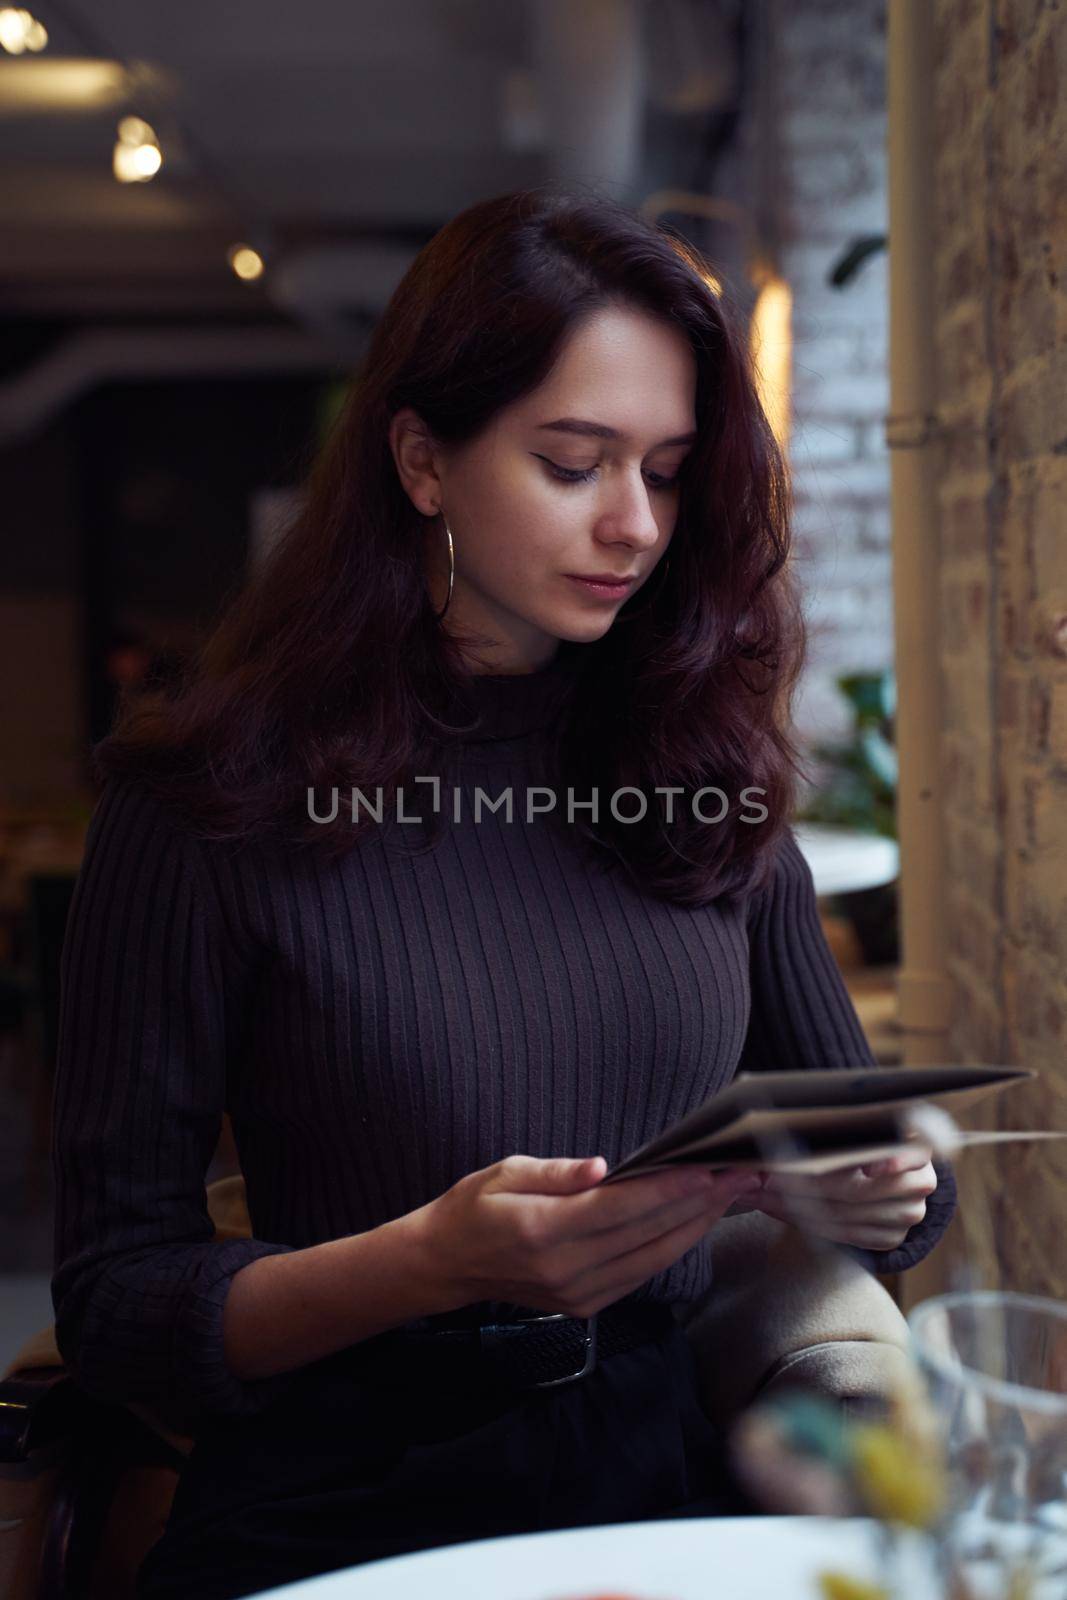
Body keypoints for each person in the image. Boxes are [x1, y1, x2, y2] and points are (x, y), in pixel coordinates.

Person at [50, 185, 957, 1600]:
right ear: (422, 459)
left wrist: (884, 1189)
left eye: (663, 471)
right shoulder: (206, 803)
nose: (635, 526)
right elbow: (116, 1308)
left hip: (672, 1498)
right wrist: (428, 1264)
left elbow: (881, 1158)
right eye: (574, 463)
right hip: (341, 1509)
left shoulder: (705, 767)